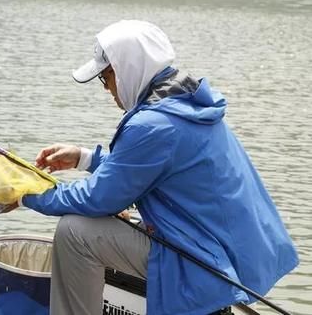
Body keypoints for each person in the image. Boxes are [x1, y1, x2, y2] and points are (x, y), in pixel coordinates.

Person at [17, 20, 299, 315]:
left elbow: (97, 198)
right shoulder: (184, 102)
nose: (107, 89)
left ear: (124, 69)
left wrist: (26, 193)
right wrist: (84, 158)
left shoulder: (153, 125)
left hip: (199, 260)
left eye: (106, 78)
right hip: (221, 250)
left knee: (74, 232)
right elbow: (141, 172)